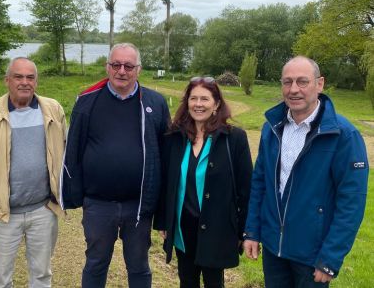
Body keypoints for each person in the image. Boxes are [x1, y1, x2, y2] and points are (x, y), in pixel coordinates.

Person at [243, 56, 369, 287]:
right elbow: (260, 182)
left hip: (312, 254)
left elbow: (352, 202)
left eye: (302, 82)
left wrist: (331, 257)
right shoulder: (272, 129)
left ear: (319, 84)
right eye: (287, 82)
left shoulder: (343, 136)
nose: (293, 90)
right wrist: (252, 231)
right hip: (273, 248)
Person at [60, 43, 170, 288]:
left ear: (138, 69)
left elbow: (165, 155)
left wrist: (161, 206)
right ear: (107, 67)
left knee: (139, 266)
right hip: (99, 204)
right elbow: (74, 150)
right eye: (116, 65)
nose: (122, 71)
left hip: (139, 205)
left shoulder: (155, 103)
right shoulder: (87, 101)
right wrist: (75, 195)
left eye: (128, 66)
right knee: (96, 263)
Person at [0, 57, 66, 288]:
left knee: (42, 274)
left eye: (30, 77)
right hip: (3, 214)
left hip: (43, 210)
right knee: (1, 277)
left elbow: (66, 154)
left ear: (36, 81)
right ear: (7, 80)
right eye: (18, 77)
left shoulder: (53, 109)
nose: (24, 82)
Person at [154, 77, 252, 288]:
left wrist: (244, 231)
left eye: (205, 99)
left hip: (217, 228)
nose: (198, 104)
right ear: (187, 102)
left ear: (216, 104)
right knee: (186, 281)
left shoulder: (234, 139)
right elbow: (166, 183)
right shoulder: (174, 137)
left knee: (214, 283)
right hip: (183, 227)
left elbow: (246, 190)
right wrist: (163, 221)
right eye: (193, 98)